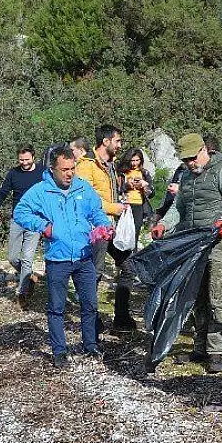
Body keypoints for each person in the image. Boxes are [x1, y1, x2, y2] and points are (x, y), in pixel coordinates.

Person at [151, 133, 222, 374]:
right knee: (196, 296)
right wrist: (164, 224)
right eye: (186, 160)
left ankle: (217, 351)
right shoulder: (187, 177)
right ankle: (200, 346)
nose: (191, 163)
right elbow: (178, 208)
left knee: (217, 296)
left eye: (193, 158)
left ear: (204, 150)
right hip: (195, 244)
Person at [14, 145, 113, 368]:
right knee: (57, 308)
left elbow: (97, 211)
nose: (69, 173)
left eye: (72, 168)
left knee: (90, 305)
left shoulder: (83, 188)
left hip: (84, 256)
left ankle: (90, 345)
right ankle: (59, 351)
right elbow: (20, 212)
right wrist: (43, 227)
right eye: (64, 169)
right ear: (52, 169)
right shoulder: (41, 191)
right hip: (57, 259)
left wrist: (104, 226)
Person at [76, 125, 137, 332]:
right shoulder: (86, 166)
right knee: (95, 273)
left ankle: (121, 317)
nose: (120, 145)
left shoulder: (110, 165)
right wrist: (114, 207)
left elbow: (108, 192)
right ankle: (90, 320)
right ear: (106, 141)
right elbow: (85, 198)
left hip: (111, 226)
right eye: (118, 141)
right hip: (96, 228)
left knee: (129, 266)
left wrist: (125, 191)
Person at [0, 145, 45, 309]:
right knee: (13, 258)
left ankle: (23, 294)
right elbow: (3, 192)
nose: (24, 162)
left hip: (35, 220)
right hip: (18, 219)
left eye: (27, 159)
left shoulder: (43, 172)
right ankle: (29, 277)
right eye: (21, 160)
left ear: (33, 157)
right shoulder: (13, 173)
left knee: (27, 259)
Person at [115, 147, 155, 248]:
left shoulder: (144, 173)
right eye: (132, 160)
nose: (134, 163)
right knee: (123, 231)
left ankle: (133, 254)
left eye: (137, 160)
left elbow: (152, 193)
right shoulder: (122, 173)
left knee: (135, 232)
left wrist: (145, 185)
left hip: (139, 205)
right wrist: (127, 185)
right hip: (126, 205)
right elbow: (116, 190)